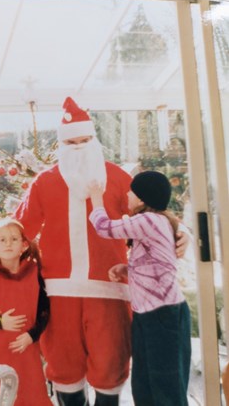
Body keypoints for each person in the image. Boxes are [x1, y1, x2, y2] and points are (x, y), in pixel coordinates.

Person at [12, 97, 189, 406]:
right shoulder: (45, 182)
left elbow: (152, 215)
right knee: (63, 366)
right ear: (62, 144)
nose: (79, 147)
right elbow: (18, 230)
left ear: (95, 140)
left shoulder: (119, 178)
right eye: (72, 141)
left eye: (85, 140)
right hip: (59, 291)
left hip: (109, 290)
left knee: (111, 364)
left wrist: (182, 232)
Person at [89, 171, 192, 406]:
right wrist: (127, 269)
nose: (126, 193)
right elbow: (158, 262)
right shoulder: (155, 223)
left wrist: (96, 199)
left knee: (165, 386)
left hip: (163, 314)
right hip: (150, 315)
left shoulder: (148, 221)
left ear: (143, 199)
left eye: (131, 191)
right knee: (144, 383)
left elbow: (104, 228)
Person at [0, 217, 52, 406]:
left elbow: (44, 311)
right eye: (2, 239)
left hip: (25, 350)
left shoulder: (36, 273)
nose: (8, 243)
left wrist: (32, 336)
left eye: (14, 239)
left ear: (24, 245)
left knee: (29, 395)